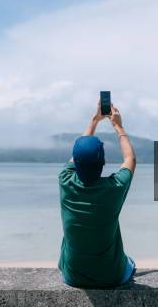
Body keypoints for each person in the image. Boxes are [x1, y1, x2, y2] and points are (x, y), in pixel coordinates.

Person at [58, 101, 137, 288]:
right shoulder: (115, 187)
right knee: (130, 263)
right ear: (103, 162)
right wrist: (118, 126)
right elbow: (130, 159)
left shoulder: (65, 180)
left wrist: (94, 121)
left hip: (72, 276)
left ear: (75, 162)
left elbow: (77, 157)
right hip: (111, 277)